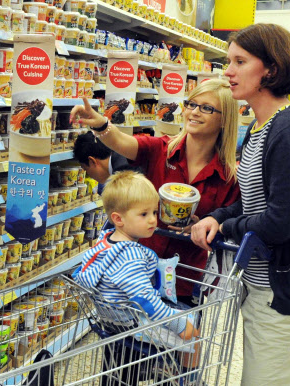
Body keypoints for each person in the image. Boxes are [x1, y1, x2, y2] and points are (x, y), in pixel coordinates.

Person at [190, 24, 290, 386]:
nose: (228, 71)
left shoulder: (289, 129)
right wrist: (219, 216)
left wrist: (225, 227)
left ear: (270, 69)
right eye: (228, 61)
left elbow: (282, 221)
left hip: (288, 292)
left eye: (240, 61)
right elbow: (252, 201)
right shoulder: (259, 128)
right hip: (262, 287)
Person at [70, 79, 240, 306]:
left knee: (178, 337)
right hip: (134, 272)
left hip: (183, 279)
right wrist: (101, 124)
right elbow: (122, 142)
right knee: (125, 340)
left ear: (224, 120)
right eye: (191, 104)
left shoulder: (228, 176)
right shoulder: (161, 149)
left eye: (206, 108)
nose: (194, 112)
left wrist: (209, 222)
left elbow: (232, 215)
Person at [72, 171, 199, 385]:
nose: (152, 220)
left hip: (112, 317)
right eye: (143, 214)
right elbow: (144, 299)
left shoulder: (106, 241)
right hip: (133, 321)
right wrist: (178, 325)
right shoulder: (131, 256)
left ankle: (165, 367)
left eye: (154, 212)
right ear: (118, 219)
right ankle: (183, 377)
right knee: (193, 326)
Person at [72, 131, 144, 185]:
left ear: (92, 161)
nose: (89, 175)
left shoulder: (123, 174)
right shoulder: (121, 157)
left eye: (85, 169)